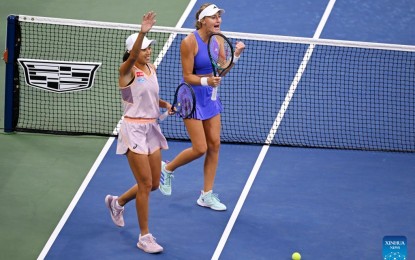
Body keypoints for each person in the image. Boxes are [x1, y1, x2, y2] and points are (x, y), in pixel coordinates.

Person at [159, 3, 245, 211]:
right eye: (214, 17)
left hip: (209, 96)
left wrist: (236, 56)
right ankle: (167, 169)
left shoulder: (218, 39)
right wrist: (208, 81)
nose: (218, 20)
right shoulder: (189, 42)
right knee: (200, 148)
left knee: (214, 144)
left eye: (219, 17)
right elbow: (187, 75)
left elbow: (221, 70)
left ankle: (206, 195)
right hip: (191, 97)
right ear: (202, 20)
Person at [104, 11, 172, 254]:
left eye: (149, 47)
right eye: (143, 48)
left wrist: (164, 105)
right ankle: (145, 237)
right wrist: (142, 30)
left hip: (151, 127)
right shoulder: (126, 71)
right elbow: (132, 58)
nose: (148, 51)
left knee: (153, 183)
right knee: (144, 185)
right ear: (134, 50)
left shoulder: (151, 68)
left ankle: (117, 202)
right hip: (133, 130)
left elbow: (151, 96)